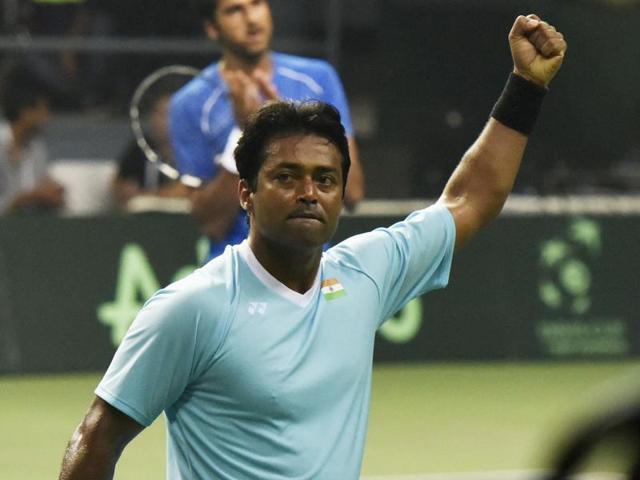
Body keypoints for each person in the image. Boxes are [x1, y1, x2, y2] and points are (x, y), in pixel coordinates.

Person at [59, 14, 566, 479]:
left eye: (326, 179)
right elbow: (95, 440)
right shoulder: (192, 308)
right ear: (246, 192)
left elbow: (470, 199)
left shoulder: (366, 273)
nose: (308, 191)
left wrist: (526, 86)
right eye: (286, 176)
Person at [169, 0, 365, 260]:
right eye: (235, 10)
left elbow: (351, 193)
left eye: (257, 4)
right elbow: (212, 223)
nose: (252, 19)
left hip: (312, 270)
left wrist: (280, 126)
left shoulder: (318, 80)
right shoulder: (189, 104)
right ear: (212, 29)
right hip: (233, 273)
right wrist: (243, 133)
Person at [0, 65, 65, 215]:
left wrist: (53, 191)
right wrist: (27, 197)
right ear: (26, 113)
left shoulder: (36, 148)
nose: (48, 119)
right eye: (43, 111)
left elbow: (40, 186)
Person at [112, 93, 188, 209]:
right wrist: (123, 191)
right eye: (156, 113)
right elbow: (119, 182)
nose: (159, 121)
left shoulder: (193, 150)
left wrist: (148, 197)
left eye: (166, 115)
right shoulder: (141, 147)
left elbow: (190, 191)